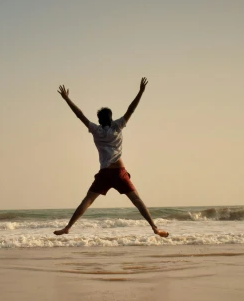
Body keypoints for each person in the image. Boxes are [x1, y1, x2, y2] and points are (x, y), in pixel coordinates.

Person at [54, 77, 169, 237]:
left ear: (99, 120)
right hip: (119, 172)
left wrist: (67, 99)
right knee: (137, 201)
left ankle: (68, 227)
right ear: (111, 117)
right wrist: (141, 91)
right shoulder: (118, 126)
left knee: (87, 201)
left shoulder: (95, 129)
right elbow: (131, 110)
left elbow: (79, 115)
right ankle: (155, 228)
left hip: (105, 173)